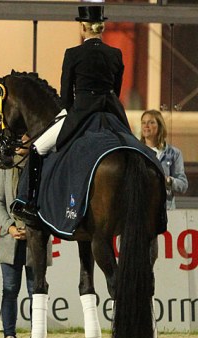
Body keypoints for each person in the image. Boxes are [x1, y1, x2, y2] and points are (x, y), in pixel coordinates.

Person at [12, 5, 130, 222]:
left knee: (38, 147)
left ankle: (29, 202)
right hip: (112, 111)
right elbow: (117, 89)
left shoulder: (74, 53)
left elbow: (66, 96)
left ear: (83, 27)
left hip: (82, 112)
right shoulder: (115, 53)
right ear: (101, 28)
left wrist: (70, 110)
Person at [0, 135, 34, 338]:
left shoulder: (40, 166)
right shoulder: (6, 168)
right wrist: (9, 226)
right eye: (17, 141)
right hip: (10, 239)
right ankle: (9, 335)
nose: (19, 144)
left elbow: (47, 202)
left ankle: (37, 335)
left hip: (34, 239)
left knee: (37, 290)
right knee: (9, 290)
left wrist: (30, 228)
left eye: (24, 140)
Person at [140, 109, 188, 210]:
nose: (146, 126)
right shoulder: (136, 153)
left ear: (160, 126)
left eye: (151, 122)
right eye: (143, 122)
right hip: (142, 210)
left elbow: (183, 185)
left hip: (166, 210)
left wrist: (169, 181)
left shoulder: (174, 153)